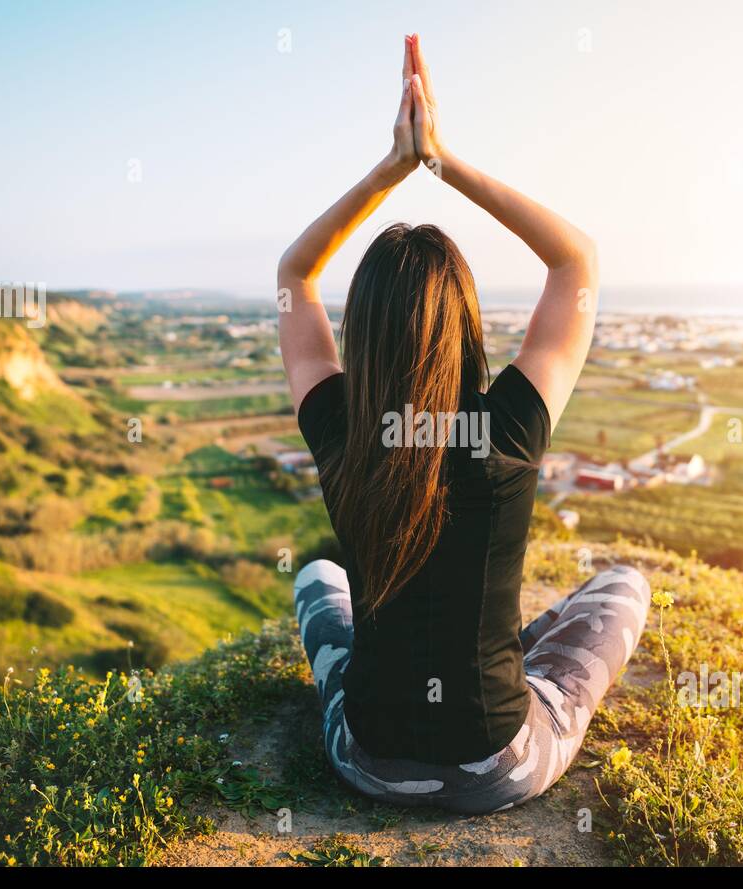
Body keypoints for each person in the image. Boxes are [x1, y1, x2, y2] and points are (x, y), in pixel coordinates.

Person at [276, 34, 650, 814]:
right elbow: (576, 262)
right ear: (466, 325)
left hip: (366, 760)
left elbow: (295, 275)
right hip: (499, 763)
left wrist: (391, 169)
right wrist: (440, 160)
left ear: (364, 330)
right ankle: (521, 656)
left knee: (317, 578)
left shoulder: (340, 426)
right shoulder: (507, 425)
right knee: (621, 586)